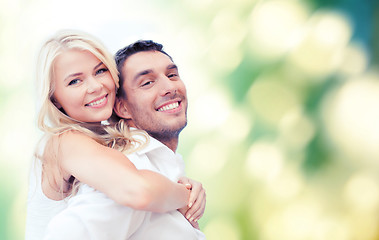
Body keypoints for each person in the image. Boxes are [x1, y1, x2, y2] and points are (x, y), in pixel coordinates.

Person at [25, 31, 205, 240]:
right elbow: (138, 190)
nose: (95, 86)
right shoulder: (64, 141)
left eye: (100, 71)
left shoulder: (111, 145)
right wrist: (186, 194)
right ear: (55, 99)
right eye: (75, 81)